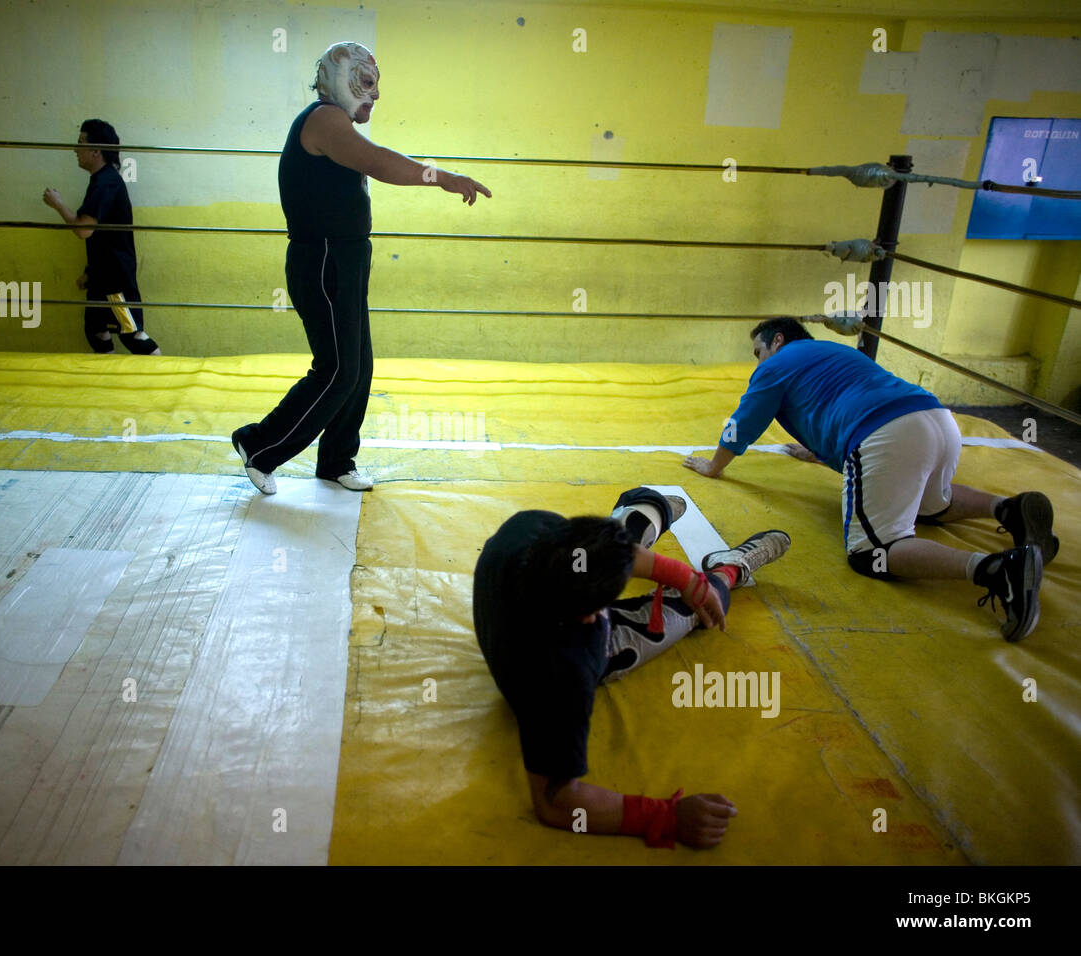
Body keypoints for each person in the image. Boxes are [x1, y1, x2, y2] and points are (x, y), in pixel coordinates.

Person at [682, 317, 1058, 642]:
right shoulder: (835, 352)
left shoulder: (778, 363)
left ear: (778, 340)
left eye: (758, 351)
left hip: (885, 433)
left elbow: (744, 422)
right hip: (936, 420)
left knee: (873, 553)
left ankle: (997, 569)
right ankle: (1008, 508)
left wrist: (714, 466)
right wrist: (820, 453)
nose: (758, 360)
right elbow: (837, 401)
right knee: (931, 505)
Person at [230, 41, 491, 495]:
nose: (374, 95)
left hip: (344, 257)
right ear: (341, 80)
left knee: (358, 366)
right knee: (337, 369)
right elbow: (378, 161)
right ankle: (259, 444)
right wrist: (443, 178)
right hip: (324, 257)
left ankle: (335, 461)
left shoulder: (334, 121)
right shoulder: (325, 118)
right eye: (365, 83)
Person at [473, 486, 791, 849]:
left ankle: (646, 513)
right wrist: (666, 817)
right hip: (542, 652)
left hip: (518, 614)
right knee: (703, 606)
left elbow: (614, 555)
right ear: (595, 613)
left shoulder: (530, 528)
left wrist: (685, 578)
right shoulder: (566, 670)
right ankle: (730, 569)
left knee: (614, 544)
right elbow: (554, 802)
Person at [42, 119, 161, 355]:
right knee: (96, 331)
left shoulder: (106, 182)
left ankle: (167, 381)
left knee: (132, 335)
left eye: (80, 143)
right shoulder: (102, 180)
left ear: (96, 150)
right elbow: (103, 235)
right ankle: (108, 379)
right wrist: (90, 271)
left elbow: (83, 229)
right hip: (103, 274)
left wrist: (59, 205)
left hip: (114, 279)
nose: (75, 149)